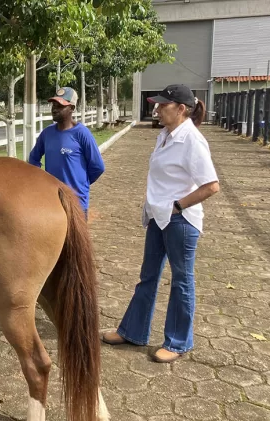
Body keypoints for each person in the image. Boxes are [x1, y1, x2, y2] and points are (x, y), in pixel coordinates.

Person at [101, 84, 220, 363]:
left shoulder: (192, 140)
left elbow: (211, 186)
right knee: (148, 276)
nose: (156, 108)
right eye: (157, 104)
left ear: (181, 109)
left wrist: (179, 205)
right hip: (159, 217)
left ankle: (178, 342)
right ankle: (133, 331)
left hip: (179, 222)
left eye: (163, 105)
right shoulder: (166, 135)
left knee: (181, 281)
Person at [28, 87, 105, 218]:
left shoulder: (82, 134)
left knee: (74, 239)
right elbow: (33, 158)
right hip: (52, 201)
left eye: (60, 106)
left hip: (76, 203)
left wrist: (81, 184)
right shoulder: (47, 133)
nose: (54, 109)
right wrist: (41, 181)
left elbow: (97, 167)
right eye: (53, 104)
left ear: (72, 108)